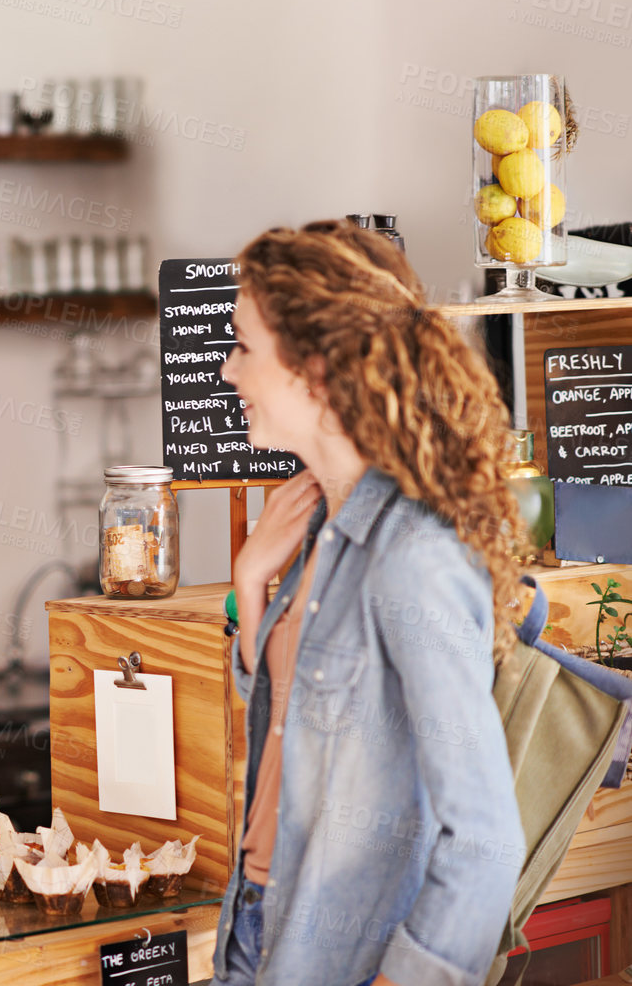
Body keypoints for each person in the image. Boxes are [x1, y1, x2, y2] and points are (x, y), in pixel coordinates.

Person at [211, 220, 524, 986]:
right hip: (258, 929)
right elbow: (303, 718)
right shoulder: (318, 523)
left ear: (314, 370)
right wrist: (252, 584)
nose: (225, 371)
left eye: (244, 347)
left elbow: (484, 840)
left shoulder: (413, 555)